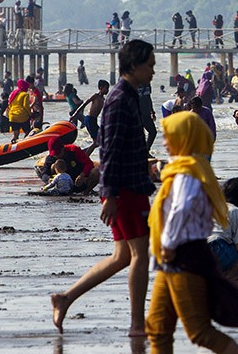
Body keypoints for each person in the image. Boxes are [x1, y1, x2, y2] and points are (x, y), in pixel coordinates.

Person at [51, 40, 157, 337]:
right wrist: (108, 195)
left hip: (131, 185)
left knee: (122, 256)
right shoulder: (119, 99)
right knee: (140, 255)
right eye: (149, 65)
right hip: (125, 190)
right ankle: (138, 324)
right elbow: (108, 151)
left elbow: (126, 147)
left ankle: (65, 298)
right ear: (134, 66)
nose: (152, 71)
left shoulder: (130, 96)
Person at [144, 111, 238, 354]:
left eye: (169, 136)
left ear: (184, 138)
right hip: (173, 258)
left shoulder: (187, 172)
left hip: (182, 257)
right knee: (157, 328)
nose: (165, 142)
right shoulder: (188, 168)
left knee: (199, 331)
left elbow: (181, 209)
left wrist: (167, 244)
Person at [71, 80, 109, 146]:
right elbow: (84, 104)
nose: (107, 90)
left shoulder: (103, 100)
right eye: (106, 88)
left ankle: (85, 154)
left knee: (100, 140)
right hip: (89, 119)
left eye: (108, 88)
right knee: (97, 141)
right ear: (101, 88)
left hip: (94, 120)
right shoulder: (95, 96)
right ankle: (85, 155)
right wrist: (74, 115)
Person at [6, 79, 31, 144]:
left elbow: (9, 104)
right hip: (22, 116)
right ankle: (25, 143)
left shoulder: (13, 93)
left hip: (12, 116)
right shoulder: (25, 94)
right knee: (27, 132)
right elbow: (26, 106)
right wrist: (30, 114)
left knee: (15, 134)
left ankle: (14, 144)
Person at [138, 83, 156, 155]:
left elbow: (148, 98)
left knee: (153, 132)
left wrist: (152, 111)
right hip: (137, 113)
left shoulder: (147, 84)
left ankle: (146, 150)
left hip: (147, 113)